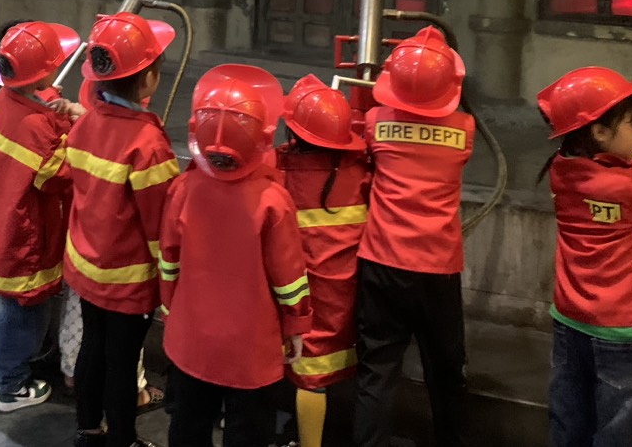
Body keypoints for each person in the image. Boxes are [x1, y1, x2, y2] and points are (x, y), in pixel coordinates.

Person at [538, 67, 632, 447]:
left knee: (570, 413)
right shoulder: (625, 189)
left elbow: (615, 166)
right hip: (622, 326)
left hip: (570, 318)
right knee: (618, 424)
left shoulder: (562, 168)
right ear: (600, 132)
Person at [160, 64, 311, 447]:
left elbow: (169, 261)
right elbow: (289, 278)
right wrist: (296, 325)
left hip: (191, 339)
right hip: (251, 350)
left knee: (187, 426)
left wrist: (170, 309)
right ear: (264, 138)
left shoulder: (183, 189)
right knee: (248, 432)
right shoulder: (274, 202)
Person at [353, 26, 474, 447]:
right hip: (437, 269)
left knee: (377, 368)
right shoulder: (465, 129)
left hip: (381, 262)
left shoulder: (375, 122)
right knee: (445, 372)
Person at [66, 12, 178, 447]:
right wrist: (169, 279)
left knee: (92, 346)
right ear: (148, 79)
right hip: (128, 277)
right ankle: (123, 439)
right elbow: (160, 225)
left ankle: (88, 429)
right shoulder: (148, 145)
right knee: (122, 359)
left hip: (86, 264)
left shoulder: (85, 123)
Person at [0, 19, 78, 411]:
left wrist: (53, 110)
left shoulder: (5, 100)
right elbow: (58, 176)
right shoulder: (35, 126)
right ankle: (12, 386)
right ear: (44, 72)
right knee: (16, 310)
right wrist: (79, 130)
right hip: (19, 233)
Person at [276, 75, 372, 447]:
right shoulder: (359, 172)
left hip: (300, 299)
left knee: (310, 376)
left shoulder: (280, 171)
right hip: (347, 299)